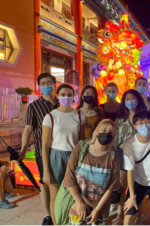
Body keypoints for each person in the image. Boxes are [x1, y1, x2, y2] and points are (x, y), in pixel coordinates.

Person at [42, 84, 86, 226]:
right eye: (63, 94)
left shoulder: (79, 115)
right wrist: (46, 171)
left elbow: (81, 141)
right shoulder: (50, 117)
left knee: (75, 194)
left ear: (74, 96)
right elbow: (44, 146)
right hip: (56, 157)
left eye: (69, 94)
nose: (66, 97)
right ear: (58, 96)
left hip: (75, 157)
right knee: (54, 196)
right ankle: (56, 224)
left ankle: (72, 222)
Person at [17, 73, 57, 226]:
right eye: (43, 83)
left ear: (54, 84)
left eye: (49, 82)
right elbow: (28, 130)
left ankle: (57, 211)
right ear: (39, 86)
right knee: (45, 182)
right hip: (42, 151)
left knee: (61, 183)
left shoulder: (61, 104)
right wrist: (22, 151)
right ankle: (47, 215)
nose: (46, 85)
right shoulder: (33, 106)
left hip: (61, 151)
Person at [64, 119, 120, 226]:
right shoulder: (81, 149)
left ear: (113, 136)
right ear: (97, 131)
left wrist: (97, 210)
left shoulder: (113, 156)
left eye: (111, 133)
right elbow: (69, 178)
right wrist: (79, 202)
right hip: (78, 203)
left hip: (100, 209)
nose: (106, 134)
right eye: (103, 130)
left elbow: (111, 187)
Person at [112, 90, 147, 226]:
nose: (130, 101)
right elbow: (116, 139)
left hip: (140, 154)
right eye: (128, 98)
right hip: (122, 153)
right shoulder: (120, 119)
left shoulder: (144, 117)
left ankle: (138, 216)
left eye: (133, 98)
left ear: (138, 100)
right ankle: (119, 215)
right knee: (122, 186)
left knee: (139, 185)